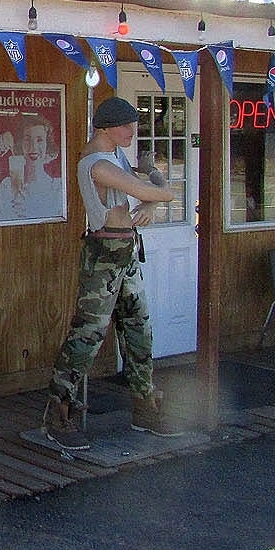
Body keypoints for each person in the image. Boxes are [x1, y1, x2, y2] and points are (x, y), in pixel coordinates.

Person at [42, 95, 183, 450]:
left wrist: (152, 195)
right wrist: (154, 195)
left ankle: (144, 405)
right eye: (126, 125)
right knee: (88, 333)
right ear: (106, 127)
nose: (132, 131)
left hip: (125, 248)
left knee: (139, 327)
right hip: (104, 251)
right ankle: (58, 410)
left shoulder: (114, 155)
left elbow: (149, 180)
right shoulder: (97, 163)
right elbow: (153, 186)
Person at [0, 114, 65, 220]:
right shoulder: (5, 188)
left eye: (39, 140)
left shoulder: (58, 188)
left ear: (48, 145)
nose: (33, 147)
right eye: (27, 139)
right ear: (21, 143)